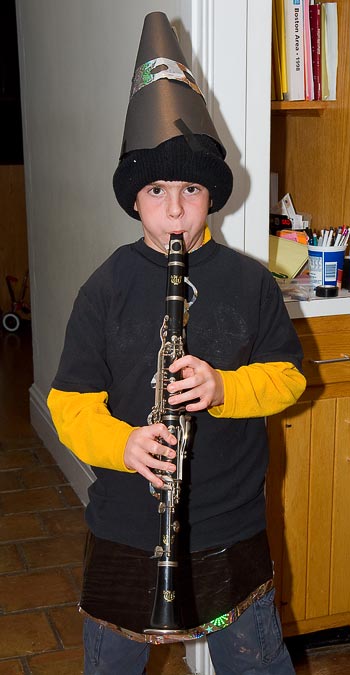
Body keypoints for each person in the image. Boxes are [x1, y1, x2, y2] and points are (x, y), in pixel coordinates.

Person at [47, 11, 306, 675]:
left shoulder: (249, 282)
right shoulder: (105, 288)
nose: (172, 208)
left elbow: (288, 377)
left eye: (190, 189)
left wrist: (224, 386)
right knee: (111, 662)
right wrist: (124, 443)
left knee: (254, 657)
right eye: (156, 189)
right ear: (135, 200)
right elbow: (69, 401)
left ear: (210, 198)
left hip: (230, 522)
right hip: (130, 527)